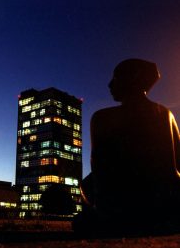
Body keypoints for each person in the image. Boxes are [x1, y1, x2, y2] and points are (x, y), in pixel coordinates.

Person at [73, 58, 180, 237]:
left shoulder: (101, 118)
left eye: (115, 78)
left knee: (88, 183)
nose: (109, 84)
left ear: (133, 79)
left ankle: (114, 219)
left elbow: (99, 167)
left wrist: (104, 210)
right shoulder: (164, 114)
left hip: (119, 205)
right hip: (163, 202)